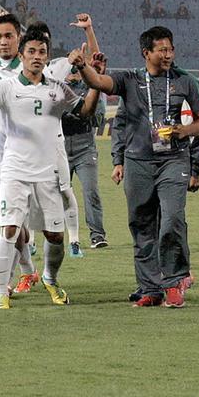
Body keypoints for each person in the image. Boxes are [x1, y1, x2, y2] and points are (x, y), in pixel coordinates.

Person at [76, 25, 199, 308]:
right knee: (141, 224)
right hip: (138, 162)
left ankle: (174, 282)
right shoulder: (130, 80)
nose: (168, 55)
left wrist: (183, 131)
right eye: (162, 50)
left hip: (173, 160)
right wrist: (82, 66)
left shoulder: (186, 80)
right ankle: (150, 287)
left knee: (172, 220)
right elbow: (99, 83)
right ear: (146, 53)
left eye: (170, 49)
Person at [0, 25, 98, 309]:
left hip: (47, 173)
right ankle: (0, 292)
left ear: (47, 56)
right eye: (31, 52)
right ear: (22, 54)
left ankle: (50, 279)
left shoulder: (57, 88)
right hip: (15, 171)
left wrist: (94, 85)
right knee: (10, 229)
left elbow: (85, 111)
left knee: (55, 236)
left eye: (42, 52)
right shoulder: (7, 85)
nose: (37, 57)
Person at [61, 49, 109, 254]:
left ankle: (97, 236)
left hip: (84, 146)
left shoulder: (91, 86)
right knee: (57, 195)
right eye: (70, 70)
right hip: (60, 146)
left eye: (75, 70)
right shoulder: (58, 88)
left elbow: (97, 116)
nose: (72, 74)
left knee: (91, 192)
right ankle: (54, 233)